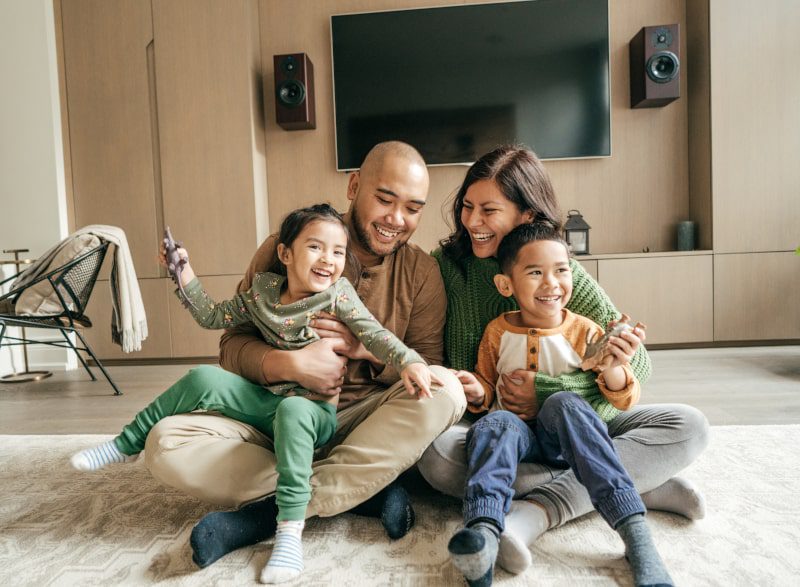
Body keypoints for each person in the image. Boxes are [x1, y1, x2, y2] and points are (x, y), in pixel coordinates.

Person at [70, 203, 439, 584]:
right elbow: (213, 316)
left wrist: (410, 361)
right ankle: (125, 444)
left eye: (338, 252)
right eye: (315, 247)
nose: (328, 260)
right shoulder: (262, 292)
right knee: (201, 378)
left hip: (313, 414)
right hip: (266, 405)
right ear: (285, 254)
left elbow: (376, 334)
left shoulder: (338, 296)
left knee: (294, 410)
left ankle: (289, 531)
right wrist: (183, 272)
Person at [139, 141, 467, 570]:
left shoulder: (422, 274)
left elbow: (424, 365)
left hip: (362, 424)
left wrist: (364, 349)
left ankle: (263, 514)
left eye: (412, 208)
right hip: (275, 417)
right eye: (385, 199)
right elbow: (231, 344)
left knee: (446, 391)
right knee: (165, 444)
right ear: (354, 186)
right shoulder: (288, 246)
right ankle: (359, 490)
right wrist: (290, 364)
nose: (396, 219)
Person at [417, 144, 709, 575]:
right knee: (437, 458)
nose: (473, 222)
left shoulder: (557, 269)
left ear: (527, 215)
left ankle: (532, 514)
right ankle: (640, 485)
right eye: (467, 207)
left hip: (575, 423)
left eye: (489, 210)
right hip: (499, 428)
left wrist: (548, 392)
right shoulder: (447, 266)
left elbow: (638, 366)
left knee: (688, 425)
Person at [447, 223, 672, 587]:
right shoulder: (497, 332)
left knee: (565, 402)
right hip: (518, 444)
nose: (551, 283)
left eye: (561, 270)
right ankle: (484, 535)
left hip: (571, 439)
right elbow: (487, 386)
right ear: (506, 285)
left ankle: (635, 533)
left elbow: (624, 399)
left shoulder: (586, 331)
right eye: (535, 273)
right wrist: (477, 390)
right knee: (495, 423)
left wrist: (615, 367)